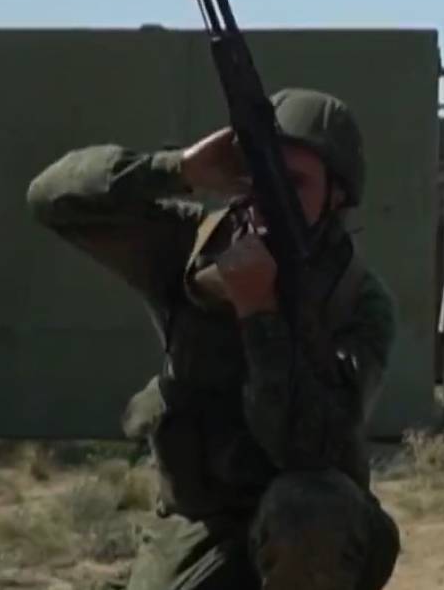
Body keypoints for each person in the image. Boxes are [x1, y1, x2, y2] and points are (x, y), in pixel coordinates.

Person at [25, 88, 401, 590]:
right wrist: (177, 170)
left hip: (313, 522)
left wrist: (258, 313)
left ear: (336, 196)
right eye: (261, 173)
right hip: (200, 523)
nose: (271, 195)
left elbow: (308, 451)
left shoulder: (357, 300)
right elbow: (49, 199)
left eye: (293, 182)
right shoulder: (193, 247)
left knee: (307, 511)